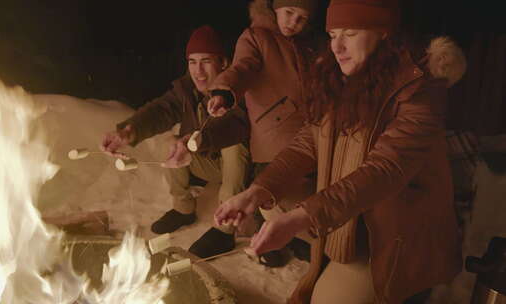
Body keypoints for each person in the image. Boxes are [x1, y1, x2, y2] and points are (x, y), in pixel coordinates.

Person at [214, 0, 467, 302]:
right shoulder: (341, 77)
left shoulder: (420, 88)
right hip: (349, 213)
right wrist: (257, 190)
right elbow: (308, 141)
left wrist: (303, 216)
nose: (337, 47)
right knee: (271, 203)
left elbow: (385, 169)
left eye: (349, 33)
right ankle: (329, 257)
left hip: (390, 236)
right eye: (333, 34)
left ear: (383, 33)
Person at [101, 25, 251, 258]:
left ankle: (224, 230)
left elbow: (235, 126)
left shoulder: (236, 89)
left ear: (223, 62)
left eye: (206, 61)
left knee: (234, 146)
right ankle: (183, 209)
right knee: (167, 139)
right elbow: (161, 110)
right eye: (192, 62)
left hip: (244, 173)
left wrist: (193, 142)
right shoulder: (187, 90)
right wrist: (128, 131)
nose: (198, 71)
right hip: (207, 162)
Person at [201, 0, 324, 266]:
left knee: (310, 197)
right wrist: (223, 91)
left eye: (302, 18)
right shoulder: (256, 38)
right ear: (275, 7)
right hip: (273, 139)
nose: (294, 22)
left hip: (311, 138)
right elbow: (242, 68)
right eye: (289, 12)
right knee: (275, 196)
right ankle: (277, 236)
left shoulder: (311, 45)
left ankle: (295, 239)